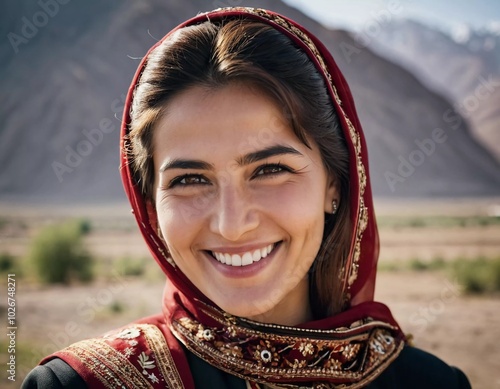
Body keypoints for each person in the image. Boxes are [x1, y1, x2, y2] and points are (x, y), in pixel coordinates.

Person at [22, 7, 471, 388]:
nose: (231, 224)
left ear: (335, 185)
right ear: (150, 206)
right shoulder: (81, 384)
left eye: (270, 170)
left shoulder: (428, 383)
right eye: (189, 180)